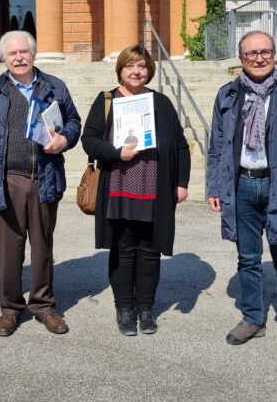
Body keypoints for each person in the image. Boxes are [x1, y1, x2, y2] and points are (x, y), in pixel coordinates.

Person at [206, 30, 277, 362]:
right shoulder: (227, 95)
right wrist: (214, 186)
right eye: (251, 53)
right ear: (241, 59)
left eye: (265, 52)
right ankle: (253, 318)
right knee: (247, 258)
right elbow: (217, 147)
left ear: (274, 54)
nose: (259, 58)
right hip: (241, 185)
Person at [0, 31, 81, 337]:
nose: (18, 57)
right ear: (3, 59)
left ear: (33, 54)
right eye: (12, 54)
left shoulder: (54, 87)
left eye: (23, 52)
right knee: (10, 249)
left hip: (44, 176)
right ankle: (10, 309)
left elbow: (74, 122)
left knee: (43, 247)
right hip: (8, 179)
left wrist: (65, 139)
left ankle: (43, 306)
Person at [81, 45, 190, 336]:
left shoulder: (161, 102)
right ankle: (124, 309)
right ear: (121, 69)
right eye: (130, 66)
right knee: (123, 249)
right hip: (118, 185)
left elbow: (179, 143)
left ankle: (146, 308)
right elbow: (89, 139)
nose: (136, 71)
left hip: (154, 187)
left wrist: (181, 182)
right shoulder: (107, 100)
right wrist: (116, 152)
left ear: (149, 70)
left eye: (141, 66)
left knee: (150, 250)